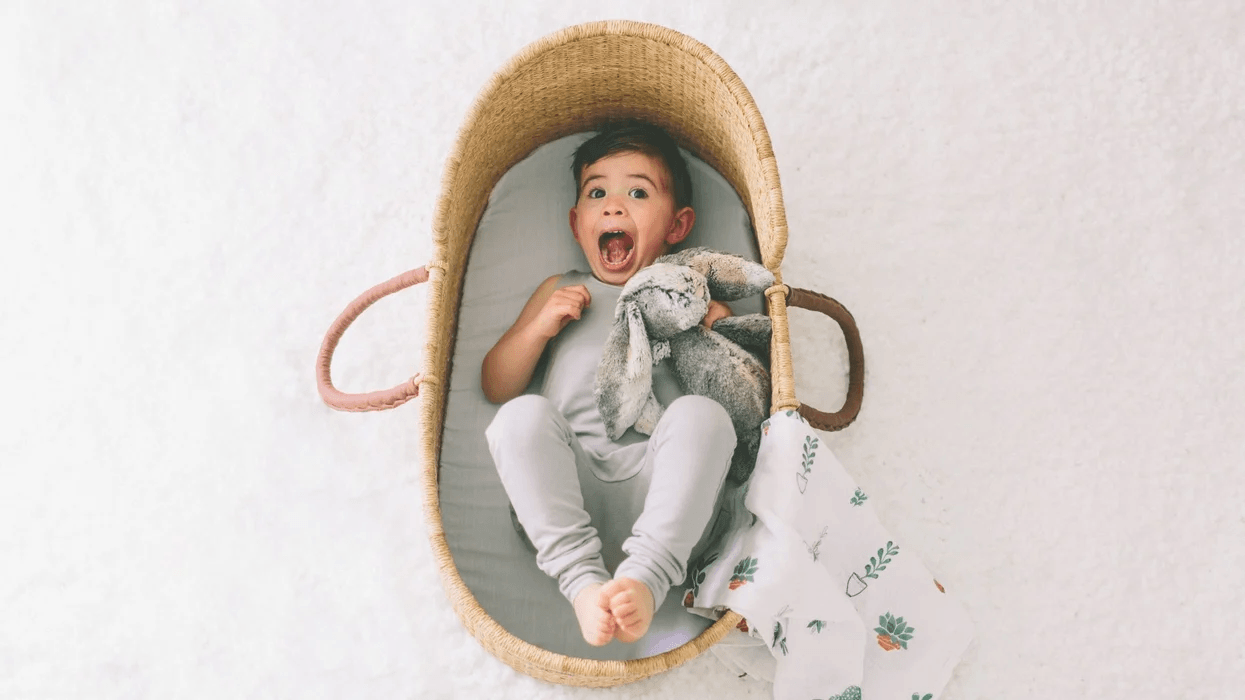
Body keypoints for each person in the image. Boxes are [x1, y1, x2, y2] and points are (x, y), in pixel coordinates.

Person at [481, 121, 737, 646]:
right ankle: (583, 584)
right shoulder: (562, 288)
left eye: (637, 192)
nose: (614, 207)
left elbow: (736, 384)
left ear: (678, 225)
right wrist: (537, 328)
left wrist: (714, 323)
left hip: (666, 502)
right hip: (566, 500)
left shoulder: (689, 296)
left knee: (703, 418)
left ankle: (645, 577)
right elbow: (496, 385)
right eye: (597, 192)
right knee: (520, 418)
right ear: (577, 223)